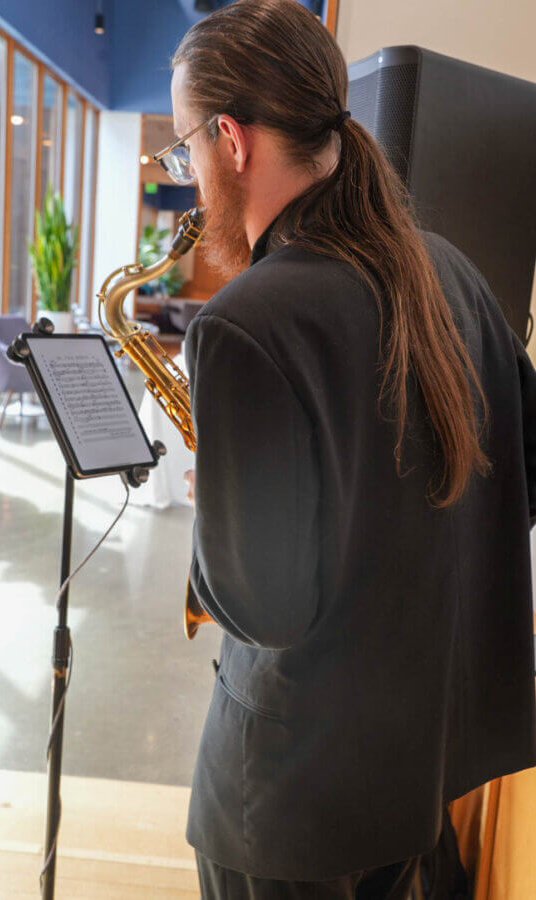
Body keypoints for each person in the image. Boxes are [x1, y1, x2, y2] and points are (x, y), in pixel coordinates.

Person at [155, 0, 536, 896]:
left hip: (288, 805)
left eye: (183, 150)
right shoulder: (449, 269)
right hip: (416, 777)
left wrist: (216, 501)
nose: (187, 178)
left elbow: (266, 607)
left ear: (233, 140)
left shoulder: (243, 323)